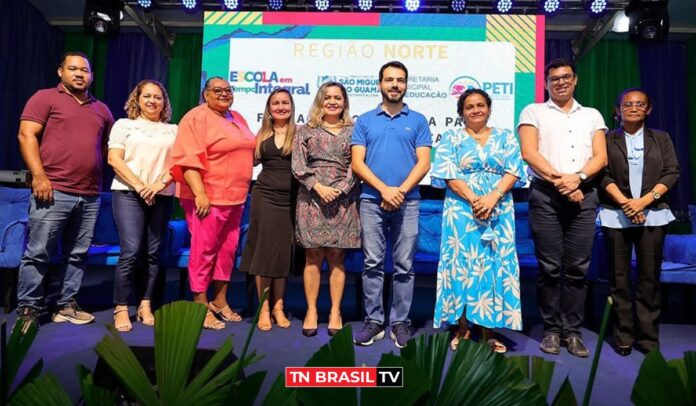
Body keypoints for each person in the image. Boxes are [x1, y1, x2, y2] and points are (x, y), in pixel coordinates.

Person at [15, 51, 114, 329]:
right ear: (61, 72)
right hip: (53, 190)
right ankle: (29, 309)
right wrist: (39, 176)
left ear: (91, 75)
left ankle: (66, 305)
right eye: (73, 69)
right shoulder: (45, 97)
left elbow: (106, 148)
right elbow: (26, 135)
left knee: (78, 254)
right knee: (38, 253)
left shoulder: (102, 110)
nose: (80, 74)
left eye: (85, 70)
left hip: (90, 194)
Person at [518, 58, 607, 358]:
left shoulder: (592, 115)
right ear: (545, 83)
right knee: (550, 267)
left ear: (575, 80)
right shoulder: (533, 111)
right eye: (554, 78)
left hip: (584, 195)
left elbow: (600, 158)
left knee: (577, 269)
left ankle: (573, 331)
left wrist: (578, 179)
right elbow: (529, 153)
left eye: (566, 77)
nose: (560, 82)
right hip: (546, 195)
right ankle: (552, 330)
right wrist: (562, 183)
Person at [431, 89, 525, 353]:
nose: (475, 110)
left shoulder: (506, 137)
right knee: (462, 264)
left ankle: (490, 331)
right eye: (469, 106)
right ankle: (463, 327)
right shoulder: (451, 138)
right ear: (462, 112)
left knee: (494, 265)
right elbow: (448, 173)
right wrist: (475, 199)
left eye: (480, 105)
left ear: (489, 108)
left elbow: (514, 170)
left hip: (499, 208)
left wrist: (492, 198)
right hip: (462, 210)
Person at [351, 61, 432, 348]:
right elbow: (357, 163)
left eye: (400, 80)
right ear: (380, 84)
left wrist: (400, 191)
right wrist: (385, 190)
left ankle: (400, 322)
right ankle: (374, 321)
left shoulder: (419, 120)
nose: (395, 84)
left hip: (408, 203)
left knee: (404, 266)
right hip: (372, 201)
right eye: (389, 80)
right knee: (371, 263)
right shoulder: (364, 120)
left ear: (406, 85)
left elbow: (424, 162)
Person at [170, 77, 256, 330]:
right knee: (204, 251)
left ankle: (220, 301)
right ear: (205, 94)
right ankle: (200, 304)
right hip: (208, 198)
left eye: (228, 90)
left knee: (227, 251)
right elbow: (187, 159)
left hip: (236, 197)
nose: (224, 94)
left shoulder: (236, 117)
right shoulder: (196, 117)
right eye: (217, 90)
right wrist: (200, 194)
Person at [599, 88, 679, 356]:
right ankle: (622, 335)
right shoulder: (608, 139)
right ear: (618, 110)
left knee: (649, 279)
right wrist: (626, 203)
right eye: (627, 104)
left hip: (653, 215)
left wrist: (643, 202)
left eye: (639, 104)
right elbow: (602, 174)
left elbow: (671, 172)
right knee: (619, 280)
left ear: (648, 109)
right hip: (615, 216)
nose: (633, 108)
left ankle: (647, 338)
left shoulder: (662, 138)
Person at [292, 82, 361, 337]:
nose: (332, 102)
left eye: (338, 98)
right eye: (328, 97)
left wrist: (341, 189)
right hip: (311, 198)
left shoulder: (355, 131)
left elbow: (358, 165)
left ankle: (335, 311)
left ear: (344, 102)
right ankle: (312, 311)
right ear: (320, 101)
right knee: (312, 257)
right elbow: (298, 165)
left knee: (336, 256)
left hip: (343, 199)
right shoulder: (304, 130)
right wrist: (318, 187)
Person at [107, 80, 177, 332]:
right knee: (131, 251)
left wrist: (158, 184)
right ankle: (121, 307)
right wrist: (140, 185)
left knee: (153, 253)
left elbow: (178, 163)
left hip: (162, 194)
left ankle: (145, 304)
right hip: (128, 193)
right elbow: (114, 159)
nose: (152, 101)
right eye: (146, 96)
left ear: (164, 102)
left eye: (157, 97)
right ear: (137, 99)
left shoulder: (173, 130)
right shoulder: (123, 125)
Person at [240, 88, 298, 332]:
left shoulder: (299, 133)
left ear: (292, 107)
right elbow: (246, 160)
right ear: (269, 107)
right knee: (263, 251)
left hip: (291, 199)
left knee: (282, 252)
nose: (281, 107)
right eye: (276, 103)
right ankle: (264, 308)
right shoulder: (261, 133)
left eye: (285, 103)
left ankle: (279, 306)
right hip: (264, 197)